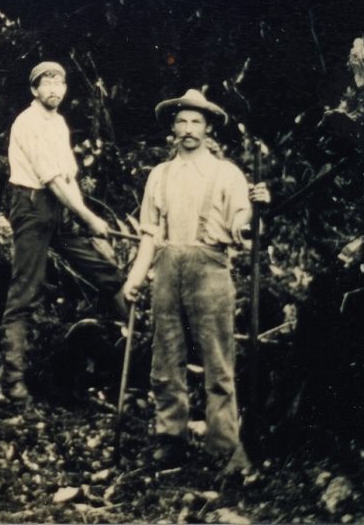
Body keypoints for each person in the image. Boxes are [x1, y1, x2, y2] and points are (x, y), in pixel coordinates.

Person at [120, 89, 270, 473]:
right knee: (165, 360)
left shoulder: (228, 174)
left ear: (208, 128)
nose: (188, 129)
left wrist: (256, 212)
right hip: (168, 269)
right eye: (182, 121)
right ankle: (170, 438)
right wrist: (136, 278)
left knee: (218, 361)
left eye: (196, 122)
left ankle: (224, 446)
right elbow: (150, 235)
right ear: (173, 127)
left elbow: (243, 225)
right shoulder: (160, 175)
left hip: (211, 268)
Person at [0, 61, 126, 404]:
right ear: (34, 90)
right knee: (25, 290)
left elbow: (68, 177)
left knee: (106, 272)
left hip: (59, 208)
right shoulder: (28, 123)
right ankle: (12, 382)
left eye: (59, 83)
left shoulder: (58, 123)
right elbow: (52, 179)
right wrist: (87, 217)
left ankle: (135, 357)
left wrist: (90, 223)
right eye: (46, 83)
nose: (54, 89)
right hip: (31, 205)